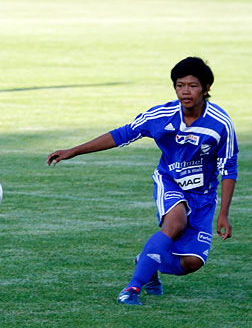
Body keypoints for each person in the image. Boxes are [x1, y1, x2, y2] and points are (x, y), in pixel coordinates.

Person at [47, 57, 237, 306]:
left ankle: (148, 260)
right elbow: (122, 134)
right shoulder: (162, 115)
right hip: (170, 181)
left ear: (206, 88)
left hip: (203, 196)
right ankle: (132, 289)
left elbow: (228, 168)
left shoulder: (220, 124)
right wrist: (74, 150)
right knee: (175, 223)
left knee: (193, 262)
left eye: (192, 85)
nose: (185, 91)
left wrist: (224, 214)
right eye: (180, 85)